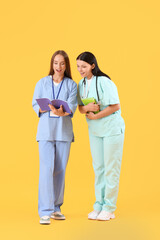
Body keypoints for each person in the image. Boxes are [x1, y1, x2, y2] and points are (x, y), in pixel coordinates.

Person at [76, 52, 125, 221]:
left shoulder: (104, 81)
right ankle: (99, 205)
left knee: (111, 168)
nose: (80, 70)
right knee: (98, 168)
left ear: (92, 66)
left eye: (83, 66)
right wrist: (87, 108)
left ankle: (109, 207)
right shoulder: (81, 84)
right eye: (78, 66)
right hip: (95, 131)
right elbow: (81, 108)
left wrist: (96, 115)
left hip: (111, 129)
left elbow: (115, 105)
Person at [32, 50, 77, 224]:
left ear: (66, 65)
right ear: (52, 64)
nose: (58, 67)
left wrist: (62, 111)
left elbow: (71, 106)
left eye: (62, 63)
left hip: (63, 132)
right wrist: (44, 108)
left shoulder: (72, 85)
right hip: (45, 133)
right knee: (46, 170)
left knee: (60, 171)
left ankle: (56, 208)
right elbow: (35, 103)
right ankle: (45, 210)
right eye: (56, 63)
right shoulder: (42, 83)